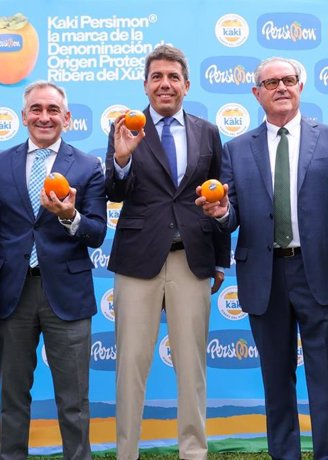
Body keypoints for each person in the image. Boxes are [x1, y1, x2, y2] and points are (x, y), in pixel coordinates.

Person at [197, 57, 328, 459]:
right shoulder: (236, 149)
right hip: (264, 277)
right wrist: (221, 213)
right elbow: (231, 211)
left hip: (322, 274)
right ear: (256, 94)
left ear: (301, 86)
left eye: (288, 80)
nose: (281, 88)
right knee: (276, 379)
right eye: (270, 82)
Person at [105, 44, 230, 460]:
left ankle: (193, 451)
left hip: (191, 258)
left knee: (192, 364)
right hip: (138, 259)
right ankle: (126, 452)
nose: (165, 84)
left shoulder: (207, 131)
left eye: (173, 77)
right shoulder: (126, 127)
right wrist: (121, 160)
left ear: (186, 85)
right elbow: (115, 191)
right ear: (145, 84)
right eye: (157, 76)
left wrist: (219, 259)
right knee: (131, 365)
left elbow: (219, 200)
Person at [0, 80, 106, 460]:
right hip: (11, 295)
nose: (44, 116)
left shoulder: (88, 167)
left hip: (66, 296)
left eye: (53, 110)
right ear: (23, 116)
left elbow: (97, 233)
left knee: (74, 400)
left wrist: (70, 216)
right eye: (36, 109)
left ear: (67, 118)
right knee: (12, 396)